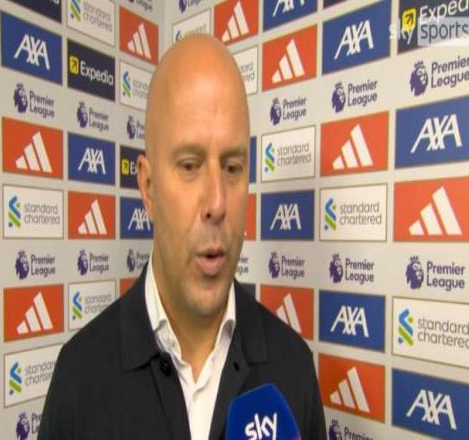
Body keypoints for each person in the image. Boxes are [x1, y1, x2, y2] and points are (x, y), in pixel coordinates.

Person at [38, 35, 326, 440]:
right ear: (148, 187)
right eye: (190, 166)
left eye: (232, 167)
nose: (217, 203)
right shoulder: (79, 378)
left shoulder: (293, 369)